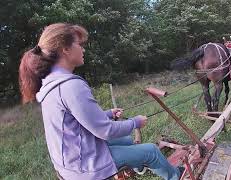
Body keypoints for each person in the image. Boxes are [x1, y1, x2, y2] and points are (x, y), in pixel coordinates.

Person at [18, 23, 183, 180]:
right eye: (79, 44)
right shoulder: (70, 85)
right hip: (85, 166)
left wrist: (108, 114)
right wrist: (135, 122)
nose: (83, 49)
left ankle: (139, 166)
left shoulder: (51, 84)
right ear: (65, 49)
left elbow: (78, 122)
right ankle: (177, 175)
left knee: (127, 140)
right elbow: (105, 131)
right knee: (151, 151)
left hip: (72, 161)